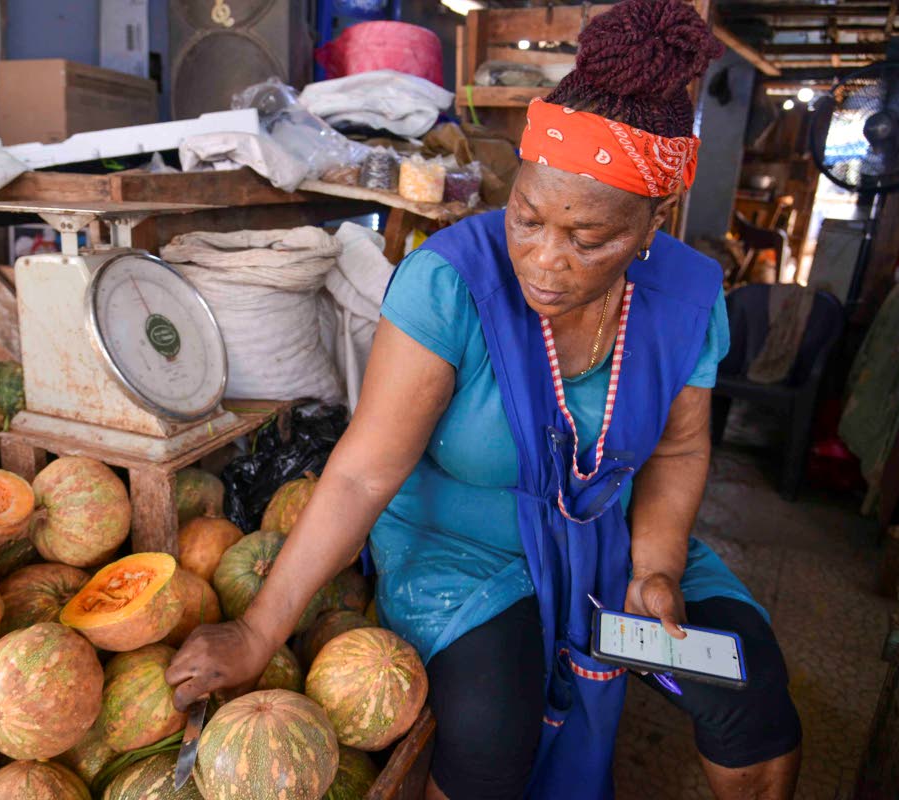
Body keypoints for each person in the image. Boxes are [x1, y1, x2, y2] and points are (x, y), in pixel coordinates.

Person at [166, 1, 802, 797]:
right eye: (528, 218)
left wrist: (657, 566)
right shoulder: (450, 283)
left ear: (651, 225)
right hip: (461, 548)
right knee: (491, 740)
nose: (545, 259)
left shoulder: (686, 296)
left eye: (589, 238)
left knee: (753, 703)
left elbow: (676, 447)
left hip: (612, 535)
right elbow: (363, 474)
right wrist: (259, 631)